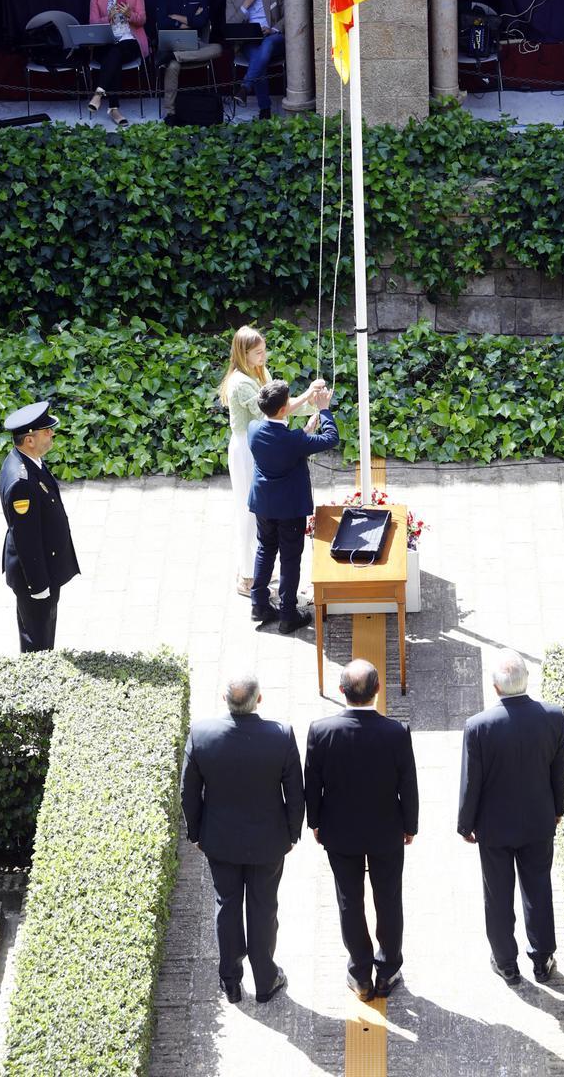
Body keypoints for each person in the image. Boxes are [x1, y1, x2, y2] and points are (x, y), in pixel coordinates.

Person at [180, 672, 304, 1006]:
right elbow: (295, 794)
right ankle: (266, 980)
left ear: (225, 700)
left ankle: (230, 981)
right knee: (264, 908)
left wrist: (195, 833)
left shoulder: (201, 735)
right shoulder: (281, 736)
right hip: (269, 842)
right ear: (258, 700)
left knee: (227, 907)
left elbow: (188, 792)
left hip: (219, 841)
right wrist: (293, 833)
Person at [305, 659, 419, 1002]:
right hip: (387, 832)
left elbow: (312, 785)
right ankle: (387, 971)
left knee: (349, 902)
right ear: (378, 690)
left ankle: (360, 975)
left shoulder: (320, 731)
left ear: (341, 691)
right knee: (389, 900)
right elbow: (408, 787)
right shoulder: (396, 733)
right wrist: (410, 826)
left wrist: (315, 822)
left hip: (340, 834)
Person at [458, 649, 564, 987]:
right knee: (537, 887)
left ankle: (506, 962)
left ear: (495, 688)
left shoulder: (478, 727)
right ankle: (542, 957)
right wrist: (557, 810)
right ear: (526, 681)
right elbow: (559, 772)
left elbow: (470, 782)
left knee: (498, 894)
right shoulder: (553, 717)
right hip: (538, 821)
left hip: (493, 827)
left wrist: (465, 824)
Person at [218, 328, 326, 598]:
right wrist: (309, 397)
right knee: (249, 511)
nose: (264, 355)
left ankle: (256, 568)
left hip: (261, 442)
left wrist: (314, 403)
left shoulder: (259, 371)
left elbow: (280, 407)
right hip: (246, 447)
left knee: (260, 513)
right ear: (243, 354)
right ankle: (246, 574)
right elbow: (273, 411)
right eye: (258, 352)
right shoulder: (241, 382)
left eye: (264, 349)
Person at [247, 379, 338, 633]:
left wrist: (304, 430)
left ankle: (259, 605)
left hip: (264, 503)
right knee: (289, 559)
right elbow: (331, 438)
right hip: (289, 509)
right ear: (284, 408)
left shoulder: (254, 428)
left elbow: (283, 438)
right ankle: (288, 614)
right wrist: (324, 409)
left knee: (265, 549)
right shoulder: (294, 441)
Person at [0, 400, 79, 653]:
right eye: (46, 431)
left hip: (44, 567)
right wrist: (39, 585)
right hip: (35, 576)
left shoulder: (26, 462)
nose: (52, 434)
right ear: (30, 440)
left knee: (41, 632)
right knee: (38, 643)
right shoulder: (22, 480)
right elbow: (27, 538)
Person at [156, 0, 220, 122]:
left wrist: (175, 17)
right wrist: (184, 23)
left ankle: (175, 57)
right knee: (172, 66)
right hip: (171, 43)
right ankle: (170, 113)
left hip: (195, 43)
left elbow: (201, 22)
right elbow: (162, 22)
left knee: (218, 48)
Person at [87, 0, 149, 126]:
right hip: (105, 41)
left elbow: (142, 19)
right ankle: (114, 110)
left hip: (130, 39)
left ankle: (99, 95)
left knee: (115, 53)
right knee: (112, 54)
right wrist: (108, 17)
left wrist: (129, 14)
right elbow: (92, 24)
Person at [226, 0, 284, 120]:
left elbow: (290, 15)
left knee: (266, 47)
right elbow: (230, 25)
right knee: (260, 60)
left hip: (274, 37)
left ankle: (246, 88)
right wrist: (244, 6)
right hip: (248, 42)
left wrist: (273, 29)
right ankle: (264, 110)